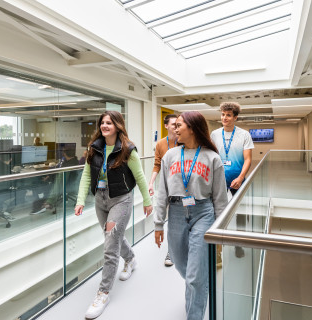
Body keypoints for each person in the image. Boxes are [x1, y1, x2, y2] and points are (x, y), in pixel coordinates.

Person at [74, 111, 153, 319]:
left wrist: (147, 201)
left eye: (109, 122)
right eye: (102, 123)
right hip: (100, 199)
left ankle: (103, 293)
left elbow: (140, 177)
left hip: (121, 200)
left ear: (118, 125)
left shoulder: (127, 149)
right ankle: (130, 259)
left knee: (110, 245)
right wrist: (80, 200)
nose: (104, 126)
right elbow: (85, 176)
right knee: (112, 237)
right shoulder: (95, 148)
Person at [154, 111, 228, 320]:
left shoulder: (212, 158)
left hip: (203, 212)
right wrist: (158, 224)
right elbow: (162, 193)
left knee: (194, 275)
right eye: (174, 125)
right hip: (176, 212)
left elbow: (220, 198)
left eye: (179, 125)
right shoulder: (170, 156)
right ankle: (199, 286)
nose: (174, 129)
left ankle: (194, 310)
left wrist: (221, 230)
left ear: (193, 128)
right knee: (180, 263)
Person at [210, 102, 254, 260]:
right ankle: (217, 251)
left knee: (239, 214)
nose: (224, 118)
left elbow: (248, 159)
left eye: (228, 115)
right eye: (222, 114)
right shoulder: (214, 134)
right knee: (216, 212)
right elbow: (211, 156)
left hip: (238, 179)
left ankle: (238, 244)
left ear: (235, 117)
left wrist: (241, 177)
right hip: (218, 178)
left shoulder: (244, 135)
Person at [148, 113, 178, 267]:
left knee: (177, 219)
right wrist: (151, 183)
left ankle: (177, 249)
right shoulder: (161, 144)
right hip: (166, 187)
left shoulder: (184, 142)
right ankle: (171, 252)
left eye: (178, 124)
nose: (177, 127)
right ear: (166, 126)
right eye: (174, 124)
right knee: (170, 218)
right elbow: (157, 164)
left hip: (182, 187)